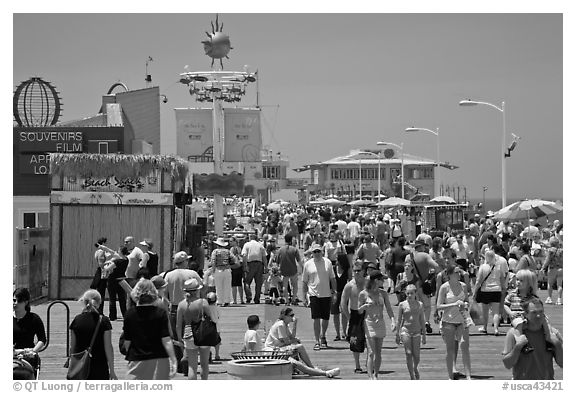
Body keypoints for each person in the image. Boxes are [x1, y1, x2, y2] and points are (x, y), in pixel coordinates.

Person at [122, 279, 178, 380]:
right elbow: (166, 340)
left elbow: (127, 342)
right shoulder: (160, 313)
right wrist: (173, 360)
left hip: (137, 358)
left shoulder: (130, 314)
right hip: (159, 359)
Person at [264, 307, 340, 378]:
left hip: (279, 350)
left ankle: (313, 369)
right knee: (299, 349)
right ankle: (316, 370)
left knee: (298, 348)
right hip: (273, 351)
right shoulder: (280, 325)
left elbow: (292, 337)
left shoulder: (285, 324)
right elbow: (287, 342)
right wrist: (294, 342)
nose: (293, 317)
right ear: (285, 316)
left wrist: (295, 325)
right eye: (291, 315)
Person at [502, 297, 563, 379]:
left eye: (541, 312)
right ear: (525, 314)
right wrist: (518, 347)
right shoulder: (514, 334)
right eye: (533, 312)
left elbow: (563, 364)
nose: (538, 315)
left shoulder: (552, 333)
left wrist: (557, 344)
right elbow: (507, 364)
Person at [69, 289, 116, 379]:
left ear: (84, 301)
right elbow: (108, 347)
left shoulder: (76, 320)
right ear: (99, 303)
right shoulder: (104, 321)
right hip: (100, 366)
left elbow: (73, 346)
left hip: (80, 368)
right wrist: (112, 371)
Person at [357, 271, 396, 379]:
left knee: (378, 352)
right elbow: (358, 311)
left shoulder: (383, 293)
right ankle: (370, 377)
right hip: (369, 323)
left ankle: (376, 374)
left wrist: (393, 321)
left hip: (380, 323)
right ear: (375, 280)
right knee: (371, 352)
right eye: (381, 279)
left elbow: (388, 308)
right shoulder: (364, 293)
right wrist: (364, 306)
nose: (383, 281)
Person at [436, 264, 472, 380]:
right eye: (456, 272)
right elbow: (438, 306)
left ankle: (468, 376)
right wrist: (454, 304)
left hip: (462, 320)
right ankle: (450, 376)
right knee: (450, 349)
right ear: (449, 275)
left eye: (459, 272)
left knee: (464, 346)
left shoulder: (464, 286)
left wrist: (465, 304)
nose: (459, 274)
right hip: (448, 321)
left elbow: (467, 301)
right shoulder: (444, 287)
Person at [302, 243, 337, 350]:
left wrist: (334, 293)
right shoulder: (308, 264)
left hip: (326, 294)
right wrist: (304, 296)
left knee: (325, 318)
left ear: (322, 251)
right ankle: (317, 340)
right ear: (312, 253)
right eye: (315, 252)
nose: (317, 253)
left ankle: (323, 336)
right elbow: (304, 281)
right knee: (316, 318)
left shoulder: (328, 262)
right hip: (313, 294)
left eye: (318, 251)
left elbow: (333, 278)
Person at [176, 278, 212, 380]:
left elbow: (178, 325)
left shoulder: (182, 304)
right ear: (197, 290)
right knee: (204, 364)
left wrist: (180, 339)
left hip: (189, 334)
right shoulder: (203, 302)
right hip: (203, 334)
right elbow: (211, 318)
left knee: (192, 366)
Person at [163, 251, 202, 335]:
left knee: (176, 336)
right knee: (193, 335)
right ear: (184, 262)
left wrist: (168, 305)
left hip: (174, 308)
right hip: (191, 306)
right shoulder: (192, 273)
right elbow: (202, 287)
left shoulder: (169, 275)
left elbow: (164, 293)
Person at [406, 239, 439, 334]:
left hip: (412, 286)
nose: (425, 248)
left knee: (414, 306)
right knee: (427, 306)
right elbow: (436, 266)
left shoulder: (408, 257)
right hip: (422, 284)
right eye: (424, 246)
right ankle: (426, 322)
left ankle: (417, 323)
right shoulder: (425, 256)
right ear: (420, 247)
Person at [340, 261, 367, 373]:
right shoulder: (349, 285)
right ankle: (357, 365)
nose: (356, 273)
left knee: (369, 339)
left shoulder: (367, 283)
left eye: (359, 270)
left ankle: (369, 362)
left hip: (367, 313)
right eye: (355, 270)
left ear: (363, 271)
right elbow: (343, 303)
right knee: (354, 341)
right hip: (355, 314)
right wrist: (349, 317)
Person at [395, 284, 426, 380]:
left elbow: (422, 320)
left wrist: (424, 334)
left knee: (416, 355)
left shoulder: (420, 305)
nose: (409, 295)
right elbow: (399, 320)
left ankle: (415, 368)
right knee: (408, 353)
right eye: (407, 293)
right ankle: (412, 376)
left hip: (417, 331)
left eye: (411, 293)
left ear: (415, 293)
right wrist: (397, 333)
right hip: (406, 330)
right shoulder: (402, 305)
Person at [13, 288, 46, 377]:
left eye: (19, 301)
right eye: (14, 300)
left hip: (27, 355)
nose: (15, 303)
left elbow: (42, 339)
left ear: (26, 302)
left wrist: (33, 352)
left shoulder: (34, 318)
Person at [474, 250, 507, 335]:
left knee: (485, 311)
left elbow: (478, 281)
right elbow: (502, 280)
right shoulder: (499, 267)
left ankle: (485, 327)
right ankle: (496, 329)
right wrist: (504, 288)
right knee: (495, 311)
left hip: (485, 290)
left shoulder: (483, 267)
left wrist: (475, 291)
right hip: (496, 290)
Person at [241, 233, 267, 304]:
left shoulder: (247, 244)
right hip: (259, 264)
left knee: (247, 281)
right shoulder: (260, 245)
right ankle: (257, 299)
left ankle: (249, 297)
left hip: (250, 264)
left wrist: (245, 265)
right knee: (258, 283)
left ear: (250, 238)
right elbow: (264, 257)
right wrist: (266, 267)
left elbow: (244, 255)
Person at [277, 234, 302, 305]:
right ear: (291, 240)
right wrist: (301, 269)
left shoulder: (280, 249)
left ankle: (287, 300)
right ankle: (293, 298)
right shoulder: (294, 249)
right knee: (295, 285)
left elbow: (277, 261)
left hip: (284, 270)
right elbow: (299, 261)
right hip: (293, 270)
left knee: (284, 286)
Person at [208, 237, 234, 306]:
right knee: (227, 286)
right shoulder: (228, 251)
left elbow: (213, 261)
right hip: (227, 269)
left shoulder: (215, 251)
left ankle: (219, 301)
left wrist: (213, 269)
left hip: (218, 269)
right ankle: (227, 301)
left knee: (218, 286)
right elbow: (233, 259)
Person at [331, 249, 349, 341]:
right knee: (335, 313)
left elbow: (350, 281)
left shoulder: (347, 269)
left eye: (338, 260)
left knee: (344, 312)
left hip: (344, 292)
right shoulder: (333, 269)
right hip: (334, 292)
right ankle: (337, 333)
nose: (336, 261)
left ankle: (344, 333)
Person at [540, 237, 563, 305]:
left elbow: (547, 260)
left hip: (552, 268)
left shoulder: (550, 250)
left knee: (550, 284)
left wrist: (543, 267)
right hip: (561, 268)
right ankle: (559, 299)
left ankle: (549, 298)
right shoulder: (561, 250)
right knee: (559, 285)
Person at [229, 237, 245, 304]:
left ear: (234, 241)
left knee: (234, 285)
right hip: (240, 267)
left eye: (231, 241)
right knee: (240, 284)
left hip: (234, 267)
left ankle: (235, 300)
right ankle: (241, 300)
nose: (230, 242)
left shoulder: (232, 249)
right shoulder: (239, 248)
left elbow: (231, 257)